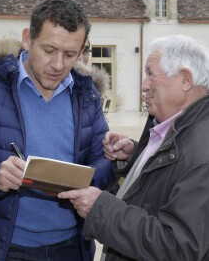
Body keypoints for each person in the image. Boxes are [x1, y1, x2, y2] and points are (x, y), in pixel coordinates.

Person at [0, 0, 117, 261]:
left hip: (72, 248)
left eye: (70, 54)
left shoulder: (87, 95)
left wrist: (109, 164)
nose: (58, 65)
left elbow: (103, 166)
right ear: (28, 39)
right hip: (3, 249)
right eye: (49, 50)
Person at [59, 35, 209, 260]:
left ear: (185, 80)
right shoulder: (170, 126)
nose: (143, 86)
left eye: (150, 74)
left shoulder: (201, 153)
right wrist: (134, 157)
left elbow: (177, 247)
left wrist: (101, 208)